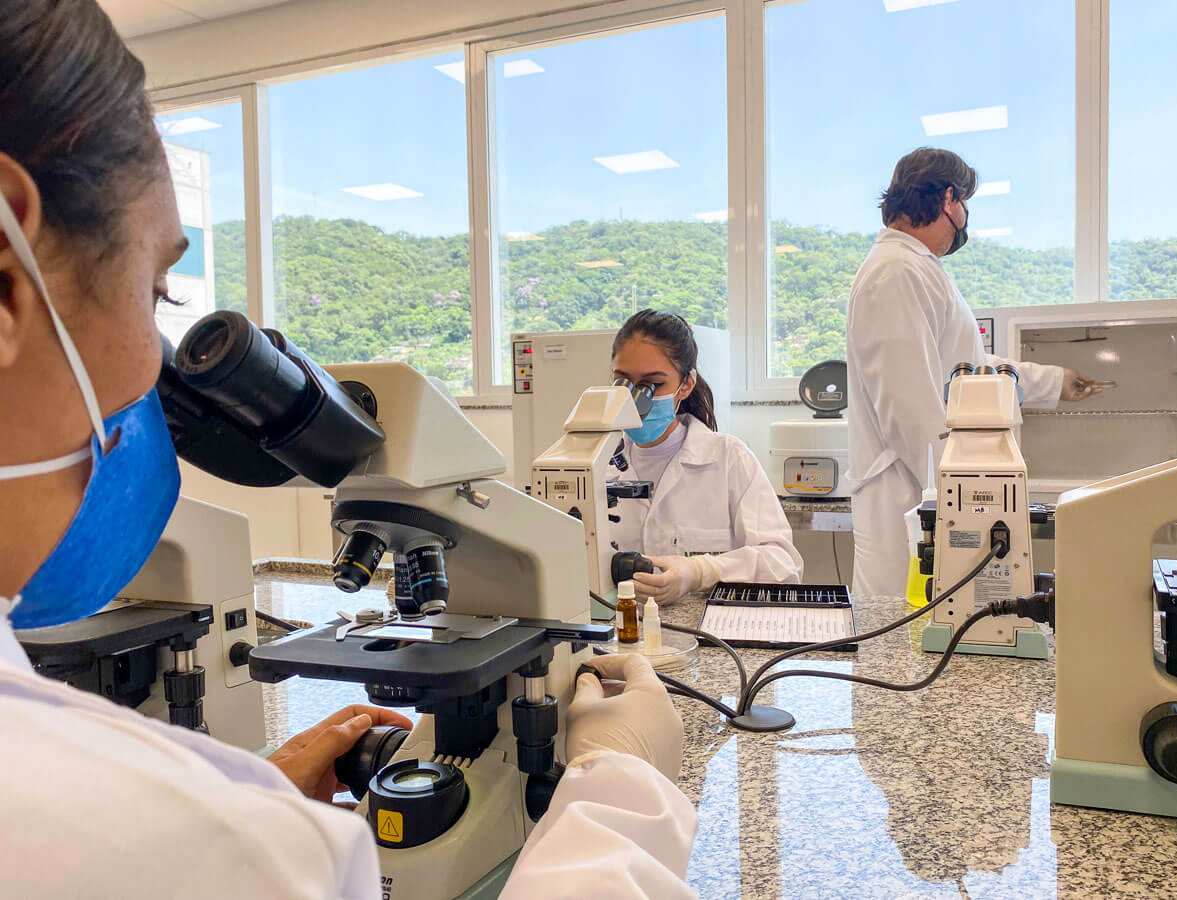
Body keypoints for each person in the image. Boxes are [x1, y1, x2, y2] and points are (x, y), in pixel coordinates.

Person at [0, 3, 696, 896]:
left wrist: (248, 794)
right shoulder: (209, 849)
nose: (158, 369)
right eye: (157, 290)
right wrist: (622, 789)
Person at [846, 148, 1098, 598]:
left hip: (928, 492)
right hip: (907, 496)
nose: (964, 217)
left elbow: (967, 369)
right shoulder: (894, 272)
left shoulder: (918, 268)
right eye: (964, 202)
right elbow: (909, 409)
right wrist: (964, 494)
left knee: (937, 617)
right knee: (899, 624)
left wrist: (1053, 381)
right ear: (948, 199)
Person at [609, 310, 804, 605]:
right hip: (617, 625)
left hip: (706, 628)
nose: (637, 400)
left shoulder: (729, 459)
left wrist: (701, 571)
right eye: (624, 383)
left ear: (685, 385)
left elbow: (784, 564)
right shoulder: (596, 462)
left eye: (653, 386)